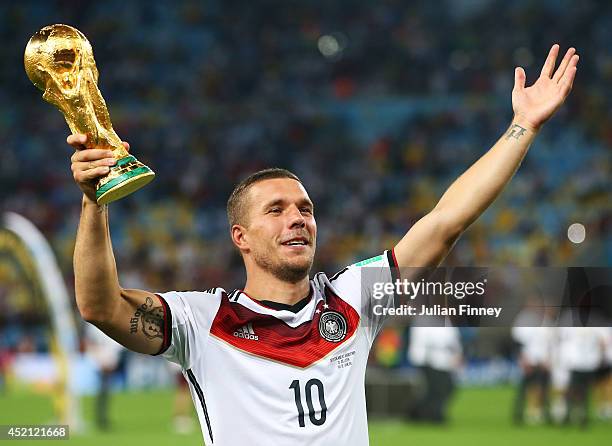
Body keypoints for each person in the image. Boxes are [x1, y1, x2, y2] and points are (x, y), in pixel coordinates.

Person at [67, 45, 578, 445]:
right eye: (277, 210)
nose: (298, 219)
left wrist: (522, 126)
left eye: (305, 209)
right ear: (239, 238)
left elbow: (445, 222)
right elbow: (99, 305)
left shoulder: (353, 299)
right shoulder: (202, 323)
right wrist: (95, 201)